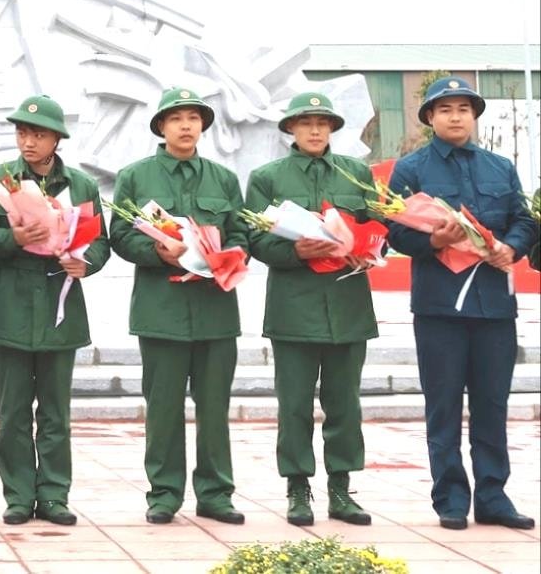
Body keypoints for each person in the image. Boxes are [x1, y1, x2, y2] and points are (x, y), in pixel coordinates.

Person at [387, 76, 538, 531]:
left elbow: (523, 219)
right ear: (430, 117)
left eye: (464, 109)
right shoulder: (411, 170)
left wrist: (511, 247)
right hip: (440, 308)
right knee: (444, 405)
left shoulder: (500, 167)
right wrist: (431, 238)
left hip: (494, 305)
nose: (456, 117)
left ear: (474, 116)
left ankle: (493, 496)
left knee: (493, 404)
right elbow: (394, 231)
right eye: (446, 109)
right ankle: (451, 498)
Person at [108, 87, 248, 525]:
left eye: (194, 118)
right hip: (162, 309)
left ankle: (215, 493)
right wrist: (159, 253)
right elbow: (121, 236)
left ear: (203, 126)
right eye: (176, 119)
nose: (186, 126)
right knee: (164, 408)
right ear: (161, 127)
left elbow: (242, 233)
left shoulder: (223, 179)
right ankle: (164, 493)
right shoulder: (136, 177)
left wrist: (233, 254)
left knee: (214, 409)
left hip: (215, 311)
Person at [0, 95, 108, 527]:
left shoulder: (82, 185)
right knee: (12, 410)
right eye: (23, 133)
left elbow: (100, 241)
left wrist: (84, 263)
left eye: (39, 134)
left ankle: (53, 495)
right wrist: (13, 236)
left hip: (58, 306)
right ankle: (17, 494)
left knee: (55, 410)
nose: (28, 141)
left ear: (56, 139)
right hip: (10, 306)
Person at [244, 92, 377, 527]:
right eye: (306, 123)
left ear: (333, 128)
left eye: (323, 123)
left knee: (345, 404)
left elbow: (379, 230)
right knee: (295, 405)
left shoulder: (357, 174)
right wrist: (296, 250)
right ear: (290, 129)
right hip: (293, 308)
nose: (315, 130)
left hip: (347, 304)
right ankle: (297, 489)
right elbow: (255, 241)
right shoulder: (267, 177)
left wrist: (368, 251)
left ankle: (341, 490)